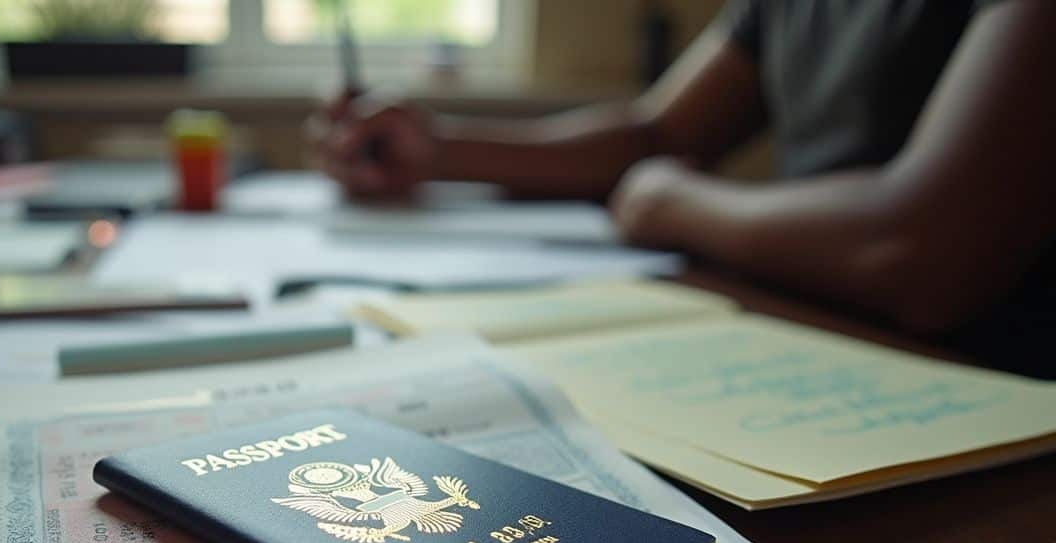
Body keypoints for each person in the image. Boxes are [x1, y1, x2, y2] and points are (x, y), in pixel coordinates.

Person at [308, 0, 1056, 378]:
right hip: (807, 338)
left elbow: (923, 253)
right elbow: (658, 134)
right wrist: (435, 150)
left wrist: (678, 207)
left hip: (989, 393)